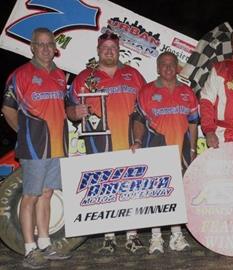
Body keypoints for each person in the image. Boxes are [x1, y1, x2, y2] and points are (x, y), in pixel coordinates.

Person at [66, 32, 146, 254]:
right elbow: (69, 108)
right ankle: (108, 237)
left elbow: (148, 107)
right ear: (98, 50)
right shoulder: (84, 77)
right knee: (104, 188)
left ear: (119, 50)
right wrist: (75, 111)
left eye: (113, 47)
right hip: (99, 144)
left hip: (130, 142)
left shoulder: (134, 75)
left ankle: (133, 235)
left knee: (132, 187)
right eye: (105, 48)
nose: (109, 51)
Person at [1, 27, 71, 269]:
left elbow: (64, 109)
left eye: (49, 44)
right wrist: (25, 133)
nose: (44, 48)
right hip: (34, 148)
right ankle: (29, 249)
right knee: (30, 196)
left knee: (47, 194)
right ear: (32, 47)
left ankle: (44, 243)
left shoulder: (61, 75)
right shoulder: (20, 75)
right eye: (40, 44)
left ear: (55, 47)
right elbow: (8, 109)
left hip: (57, 146)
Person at [132, 51, 199, 254]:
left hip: (182, 150)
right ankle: (156, 238)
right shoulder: (146, 91)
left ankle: (177, 236)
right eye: (164, 64)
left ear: (176, 67)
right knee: (157, 194)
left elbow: (193, 123)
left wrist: (194, 149)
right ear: (157, 68)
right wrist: (137, 140)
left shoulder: (188, 92)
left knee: (177, 194)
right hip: (156, 150)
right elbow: (138, 120)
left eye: (172, 64)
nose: (168, 68)